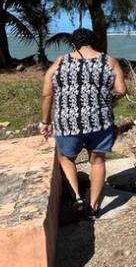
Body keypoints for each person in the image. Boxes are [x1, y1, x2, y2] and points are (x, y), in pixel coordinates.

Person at [39, 28, 126, 219]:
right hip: (100, 121)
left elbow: (47, 93)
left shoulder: (60, 62)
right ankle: (94, 207)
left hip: (67, 121)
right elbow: (121, 90)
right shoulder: (109, 61)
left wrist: (45, 121)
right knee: (97, 160)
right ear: (93, 42)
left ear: (73, 44)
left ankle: (77, 197)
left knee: (66, 158)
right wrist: (105, 99)